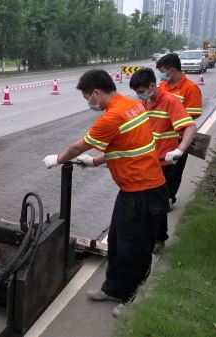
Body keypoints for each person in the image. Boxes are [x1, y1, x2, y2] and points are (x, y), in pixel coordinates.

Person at [43, 69, 168, 317]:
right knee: (118, 243)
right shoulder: (133, 105)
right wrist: (96, 162)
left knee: (137, 249)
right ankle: (113, 289)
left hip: (144, 191)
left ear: (97, 93)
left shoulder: (113, 116)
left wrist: (57, 159)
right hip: (132, 189)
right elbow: (126, 144)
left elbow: (79, 145)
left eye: (88, 98)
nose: (89, 103)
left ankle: (134, 298)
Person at [129, 68, 196, 253]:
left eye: (141, 91)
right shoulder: (144, 103)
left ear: (152, 85)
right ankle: (145, 234)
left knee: (158, 203)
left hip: (164, 162)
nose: (140, 95)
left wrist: (179, 150)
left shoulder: (170, 101)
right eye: (137, 92)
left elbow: (190, 126)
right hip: (147, 161)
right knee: (142, 199)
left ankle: (159, 238)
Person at [156, 53, 203, 208]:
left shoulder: (191, 88)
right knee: (159, 169)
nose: (161, 75)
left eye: (163, 71)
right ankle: (158, 196)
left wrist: (172, 119)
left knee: (174, 171)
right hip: (160, 137)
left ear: (172, 70)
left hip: (179, 138)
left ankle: (169, 198)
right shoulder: (163, 85)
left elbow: (192, 115)